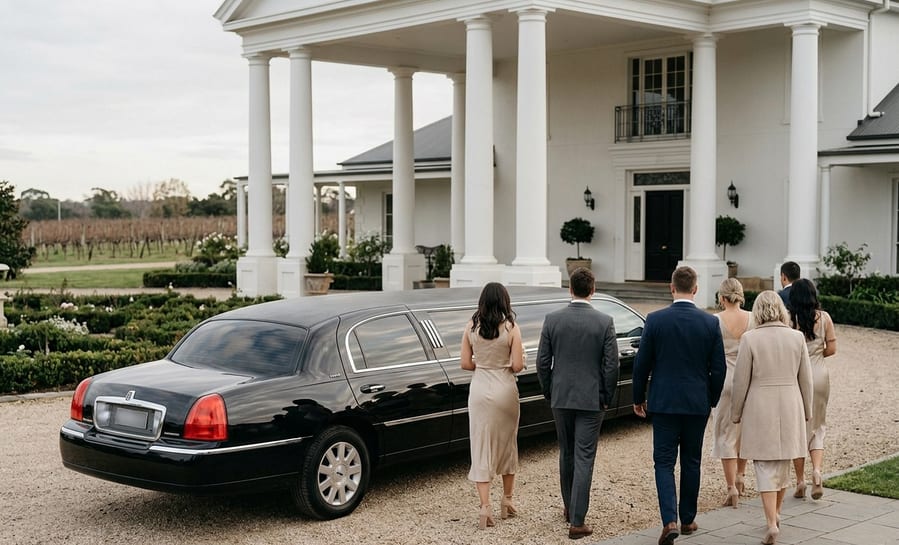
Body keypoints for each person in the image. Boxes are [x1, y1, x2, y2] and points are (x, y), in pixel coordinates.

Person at [632, 265, 726, 545]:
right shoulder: (710, 323)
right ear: (695, 289)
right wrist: (710, 399)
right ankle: (687, 519)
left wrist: (638, 397)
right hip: (696, 403)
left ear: (672, 288)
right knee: (691, 461)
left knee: (663, 462)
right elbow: (719, 369)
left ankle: (669, 519)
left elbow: (642, 364)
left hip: (663, 402)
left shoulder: (655, 320)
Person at [536, 267, 619, 540]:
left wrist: (550, 391)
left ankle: (570, 509)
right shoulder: (604, 322)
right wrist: (607, 396)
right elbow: (611, 366)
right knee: (584, 456)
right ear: (592, 290)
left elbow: (542, 363)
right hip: (591, 398)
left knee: (566, 452)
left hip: (561, 396)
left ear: (570, 289)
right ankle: (577, 520)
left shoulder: (552, 319)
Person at [732, 291, 813, 545]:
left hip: (760, 405)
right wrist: (808, 411)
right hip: (790, 403)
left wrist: (735, 413)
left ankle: (771, 522)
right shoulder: (797, 337)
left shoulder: (749, 339)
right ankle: (776, 515)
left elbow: (740, 380)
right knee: (782, 464)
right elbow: (806, 380)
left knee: (765, 466)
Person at [460, 282, 526, 530]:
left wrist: (484, 363)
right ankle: (507, 501)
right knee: (508, 444)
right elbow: (518, 365)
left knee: (481, 446)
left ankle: (484, 507)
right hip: (505, 390)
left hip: (479, 391)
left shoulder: (471, 327)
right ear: (504, 301)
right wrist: (503, 363)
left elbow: (465, 363)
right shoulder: (511, 328)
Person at [789, 278, 838, 500]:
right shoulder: (825, 317)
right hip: (819, 375)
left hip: (797, 376)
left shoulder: (790, 319)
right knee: (818, 426)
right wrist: (817, 354)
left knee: (798, 428)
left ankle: (800, 481)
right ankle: (817, 472)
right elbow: (832, 349)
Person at [712, 278, 751, 508]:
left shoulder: (715, 320)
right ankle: (741, 475)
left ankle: (731, 488)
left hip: (724, 379)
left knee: (726, 433)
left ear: (722, 297)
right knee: (744, 431)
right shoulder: (753, 318)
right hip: (747, 379)